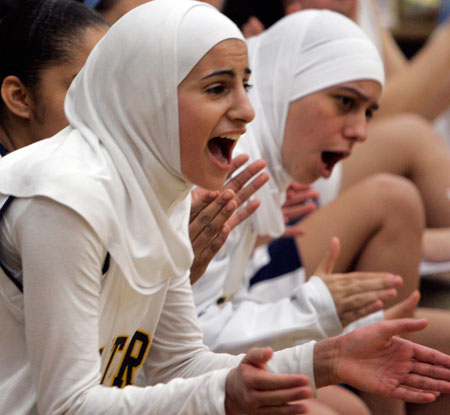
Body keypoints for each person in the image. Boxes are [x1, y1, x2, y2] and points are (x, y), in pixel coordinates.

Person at [2, 1, 450, 414]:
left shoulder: (164, 187)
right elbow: (68, 405)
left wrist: (328, 358)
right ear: (147, 94)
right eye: (218, 88)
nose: (248, 110)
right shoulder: (63, 196)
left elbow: (179, 361)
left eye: (247, 85)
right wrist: (230, 389)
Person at [192, 8, 450, 413]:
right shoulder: (231, 163)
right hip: (179, 371)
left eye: (368, 111)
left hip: (232, 331)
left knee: (434, 357)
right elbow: (187, 341)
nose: (360, 131)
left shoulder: (268, 156)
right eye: (344, 102)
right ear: (288, 81)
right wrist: (318, 313)